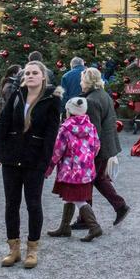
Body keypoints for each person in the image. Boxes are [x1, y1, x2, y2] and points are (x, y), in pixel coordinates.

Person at [0, 60, 59, 269]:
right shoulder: (16, 95)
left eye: (34, 73)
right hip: (11, 158)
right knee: (11, 204)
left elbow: (51, 134)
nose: (30, 76)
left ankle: (32, 249)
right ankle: (13, 249)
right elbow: (3, 123)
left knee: (33, 204)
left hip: (34, 160)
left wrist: (45, 162)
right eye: (27, 73)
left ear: (43, 76)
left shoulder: (52, 100)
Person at [74, 66, 129, 229]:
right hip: (107, 145)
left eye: (81, 80)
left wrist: (87, 151)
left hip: (97, 148)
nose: (80, 83)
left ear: (87, 81)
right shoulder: (103, 95)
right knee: (98, 179)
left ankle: (87, 219)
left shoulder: (91, 100)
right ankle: (119, 206)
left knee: (88, 180)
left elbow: (93, 130)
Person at [46, 96, 102, 241]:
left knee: (78, 199)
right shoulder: (91, 127)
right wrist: (86, 160)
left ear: (69, 111)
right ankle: (64, 227)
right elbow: (96, 147)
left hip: (70, 171)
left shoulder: (65, 128)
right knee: (69, 197)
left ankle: (94, 227)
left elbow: (57, 151)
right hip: (86, 170)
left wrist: (48, 168)